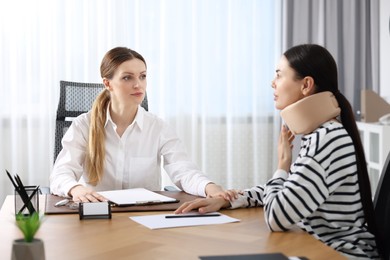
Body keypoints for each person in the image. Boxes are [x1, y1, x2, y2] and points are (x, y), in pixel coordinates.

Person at [175, 44, 381, 259]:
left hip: (340, 254)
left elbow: (277, 216)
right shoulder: (322, 135)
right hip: (319, 248)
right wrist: (230, 199)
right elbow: (289, 192)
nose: (272, 83)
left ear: (306, 85)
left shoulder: (327, 139)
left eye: (279, 75)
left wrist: (282, 165)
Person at [50, 47, 232, 204]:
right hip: (99, 215)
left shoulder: (158, 127)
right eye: (128, 78)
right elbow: (61, 173)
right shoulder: (84, 125)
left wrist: (209, 186)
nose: (138, 84)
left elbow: (182, 169)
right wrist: (76, 189)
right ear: (107, 83)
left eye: (143, 76)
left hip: (145, 217)